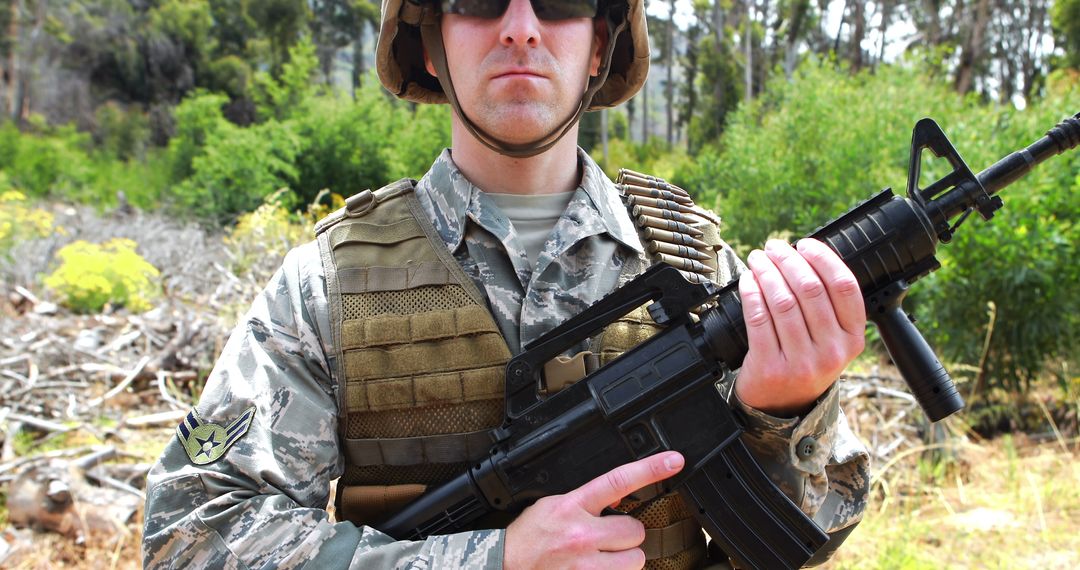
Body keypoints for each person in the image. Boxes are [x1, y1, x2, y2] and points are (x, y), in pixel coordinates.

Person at [142, 0, 870, 568]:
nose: (521, 29)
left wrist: (782, 418)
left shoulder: (696, 265)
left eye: (558, 2)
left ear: (600, 44)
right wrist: (489, 560)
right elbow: (191, 537)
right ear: (429, 44)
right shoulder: (328, 284)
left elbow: (801, 536)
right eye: (480, 1)